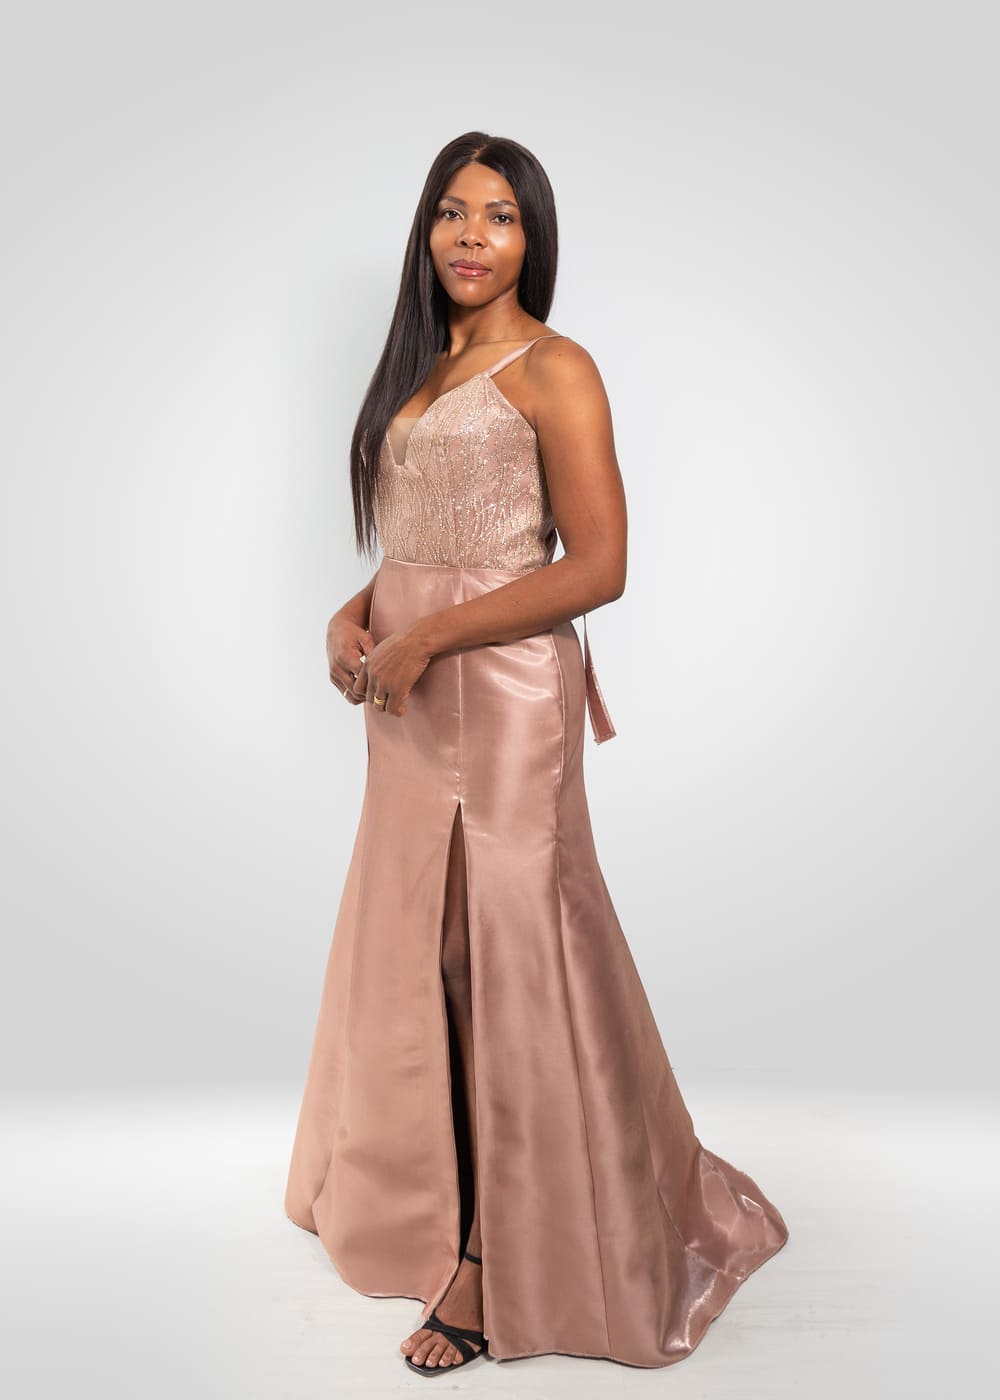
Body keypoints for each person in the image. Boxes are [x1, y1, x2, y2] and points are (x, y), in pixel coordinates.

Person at [284, 130, 788, 1375]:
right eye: (453, 212)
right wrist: (356, 616)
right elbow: (418, 544)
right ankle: (433, 1203)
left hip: (504, 697)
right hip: (406, 706)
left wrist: (427, 636)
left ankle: (497, 1254)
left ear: (533, 237)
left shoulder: (557, 367)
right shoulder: (420, 370)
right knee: (429, 949)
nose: (472, 236)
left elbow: (598, 565)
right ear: (426, 229)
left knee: (511, 951)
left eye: (500, 216)